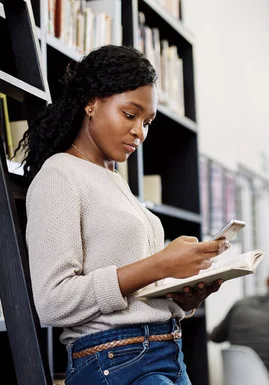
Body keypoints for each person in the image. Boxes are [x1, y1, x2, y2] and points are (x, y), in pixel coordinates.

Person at [22, 45, 230, 385]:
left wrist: (182, 297)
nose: (140, 132)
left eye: (147, 122)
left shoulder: (114, 179)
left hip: (166, 352)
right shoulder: (59, 175)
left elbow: (135, 288)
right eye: (130, 115)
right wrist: (161, 264)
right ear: (91, 102)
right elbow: (53, 301)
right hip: (115, 360)